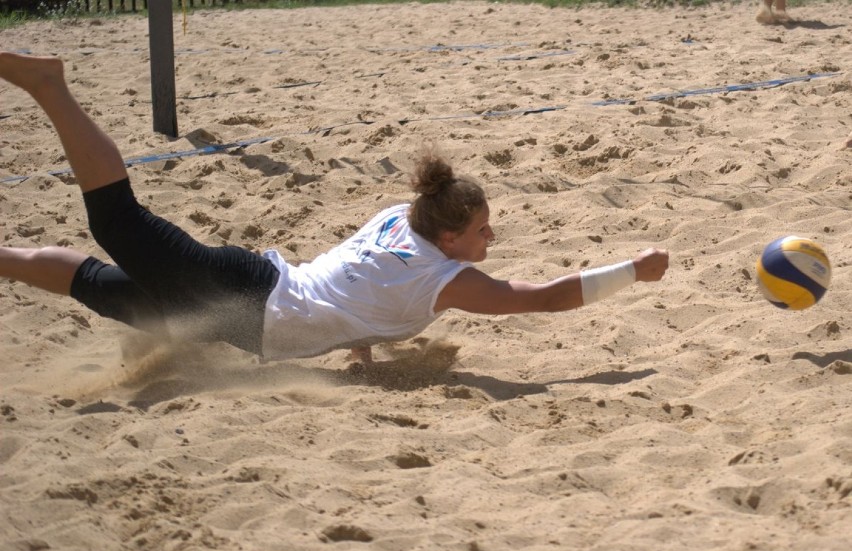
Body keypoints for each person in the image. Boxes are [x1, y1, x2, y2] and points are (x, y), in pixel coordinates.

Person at [0, 52, 669, 365]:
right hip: (243, 300)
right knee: (117, 222)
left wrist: (364, 348)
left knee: (99, 287)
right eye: (482, 230)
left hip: (249, 296)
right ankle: (50, 86)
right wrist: (632, 271)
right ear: (450, 238)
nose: (493, 237)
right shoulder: (448, 280)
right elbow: (544, 299)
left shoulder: (397, 214)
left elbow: (359, 289)